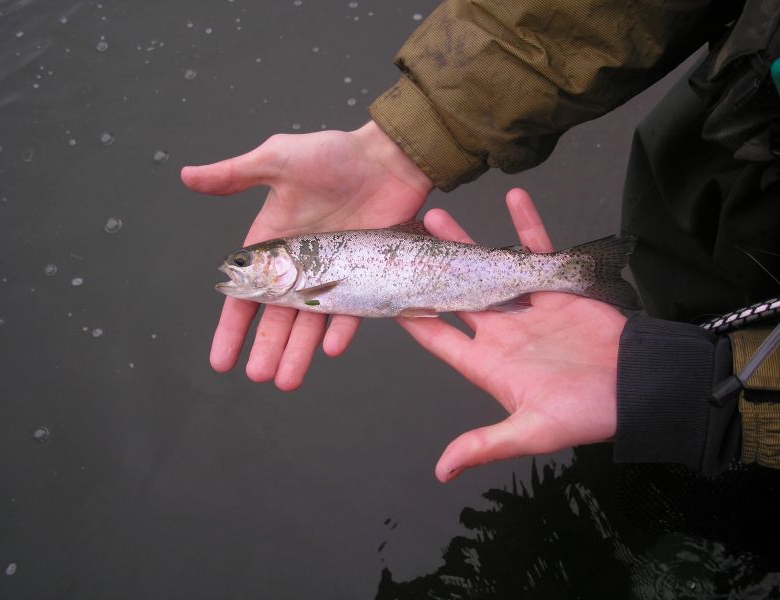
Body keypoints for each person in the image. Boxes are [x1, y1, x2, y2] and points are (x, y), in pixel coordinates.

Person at [181, 0, 780, 480]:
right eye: (244, 263)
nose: (241, 270)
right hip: (745, 100)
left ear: (279, 263)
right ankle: (679, 342)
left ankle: (695, 381)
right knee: (675, 239)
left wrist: (700, 401)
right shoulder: (305, 284)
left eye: (247, 262)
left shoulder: (312, 288)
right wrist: (414, 131)